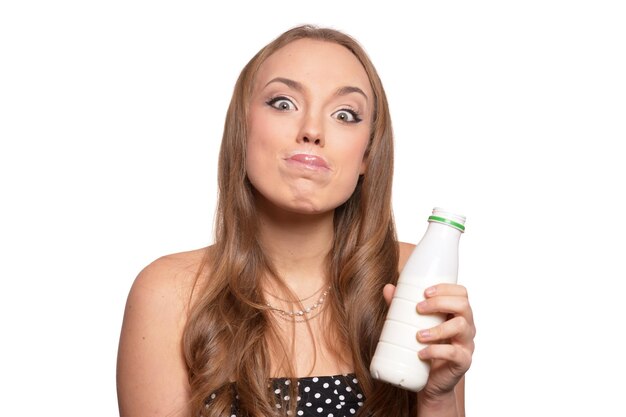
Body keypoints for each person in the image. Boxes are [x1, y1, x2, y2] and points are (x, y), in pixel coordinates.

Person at [116, 25, 475, 417]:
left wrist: (439, 397)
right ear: (243, 129)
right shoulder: (170, 294)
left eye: (345, 114)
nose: (312, 131)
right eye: (284, 103)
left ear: (367, 156)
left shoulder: (411, 279)